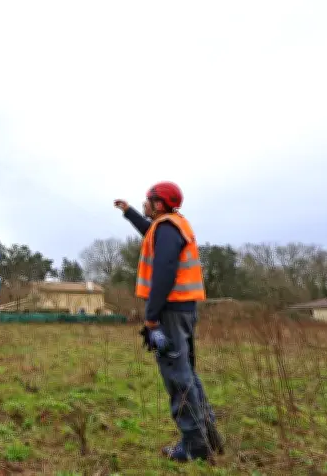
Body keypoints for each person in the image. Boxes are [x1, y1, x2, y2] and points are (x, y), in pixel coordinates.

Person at [114, 181, 223, 462]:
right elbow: (150, 233)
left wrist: (151, 317)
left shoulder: (166, 229)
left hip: (171, 312)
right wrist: (128, 212)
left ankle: (194, 446)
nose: (144, 204)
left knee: (178, 378)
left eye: (147, 200)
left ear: (159, 205)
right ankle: (208, 437)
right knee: (187, 373)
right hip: (182, 310)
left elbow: (163, 273)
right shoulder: (171, 226)